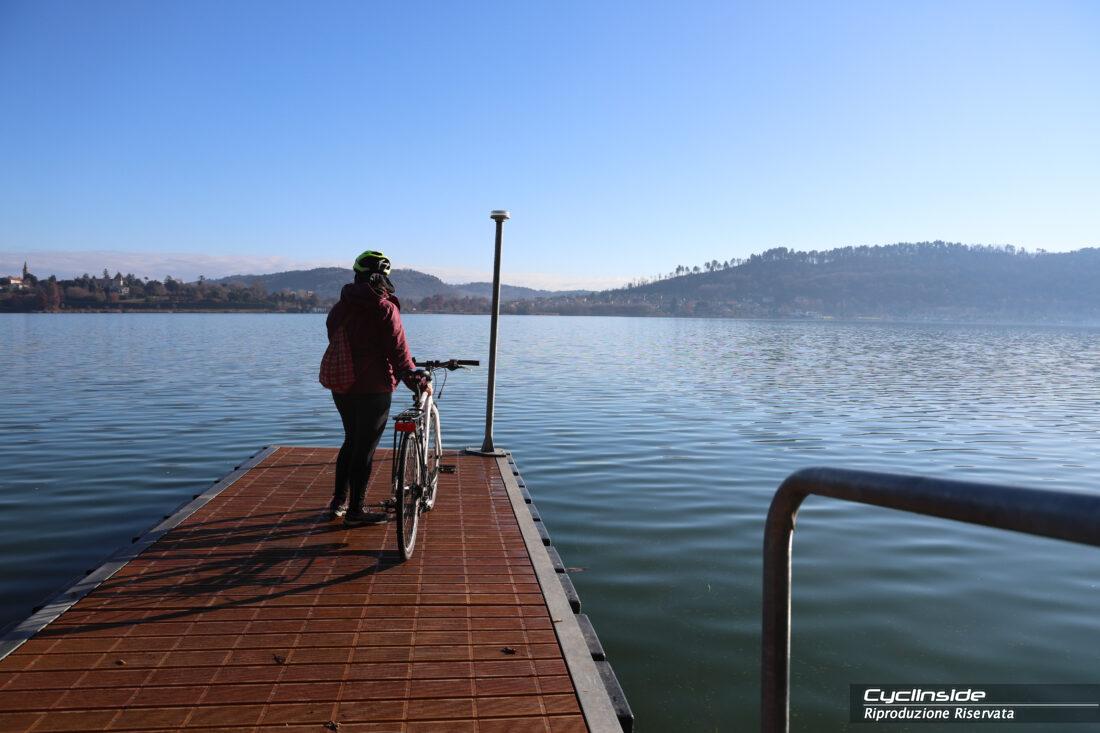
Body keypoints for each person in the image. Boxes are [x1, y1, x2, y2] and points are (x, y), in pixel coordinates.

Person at [325, 250, 429, 525]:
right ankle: (356, 511)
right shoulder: (384, 308)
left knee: (350, 441)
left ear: (356, 274)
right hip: (374, 389)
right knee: (365, 449)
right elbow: (399, 352)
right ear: (384, 278)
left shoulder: (340, 308)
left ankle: (338, 503)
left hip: (343, 386)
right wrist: (414, 379)